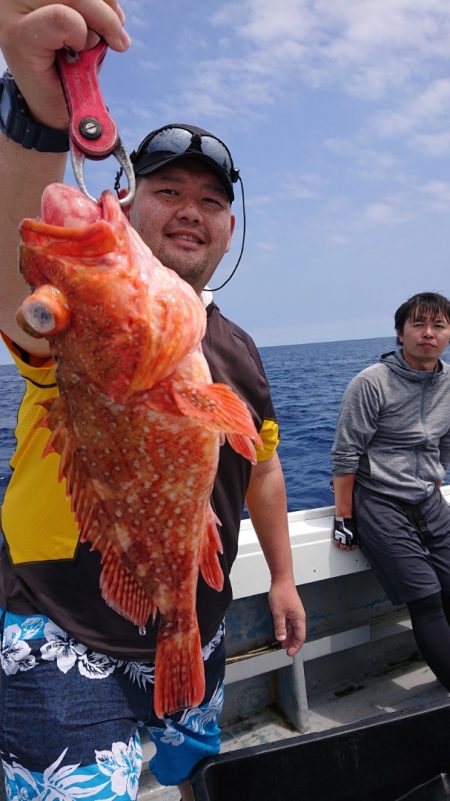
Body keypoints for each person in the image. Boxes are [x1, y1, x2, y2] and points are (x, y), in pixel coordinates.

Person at [0, 2, 306, 800]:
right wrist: (38, 107)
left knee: (194, 781)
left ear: (229, 229)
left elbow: (263, 468)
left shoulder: (234, 349)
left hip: (191, 624)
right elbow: (14, 280)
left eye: (208, 202)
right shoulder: (70, 330)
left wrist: (281, 577)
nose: (189, 211)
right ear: (130, 204)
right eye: (168, 190)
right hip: (62, 628)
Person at [331, 291, 450, 694]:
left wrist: (434, 483)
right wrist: (344, 519)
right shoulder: (371, 383)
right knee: (427, 598)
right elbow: (345, 455)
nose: (428, 334)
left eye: (438, 325)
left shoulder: (448, 383)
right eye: (418, 325)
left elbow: (444, 442)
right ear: (400, 334)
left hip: (428, 499)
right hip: (380, 501)